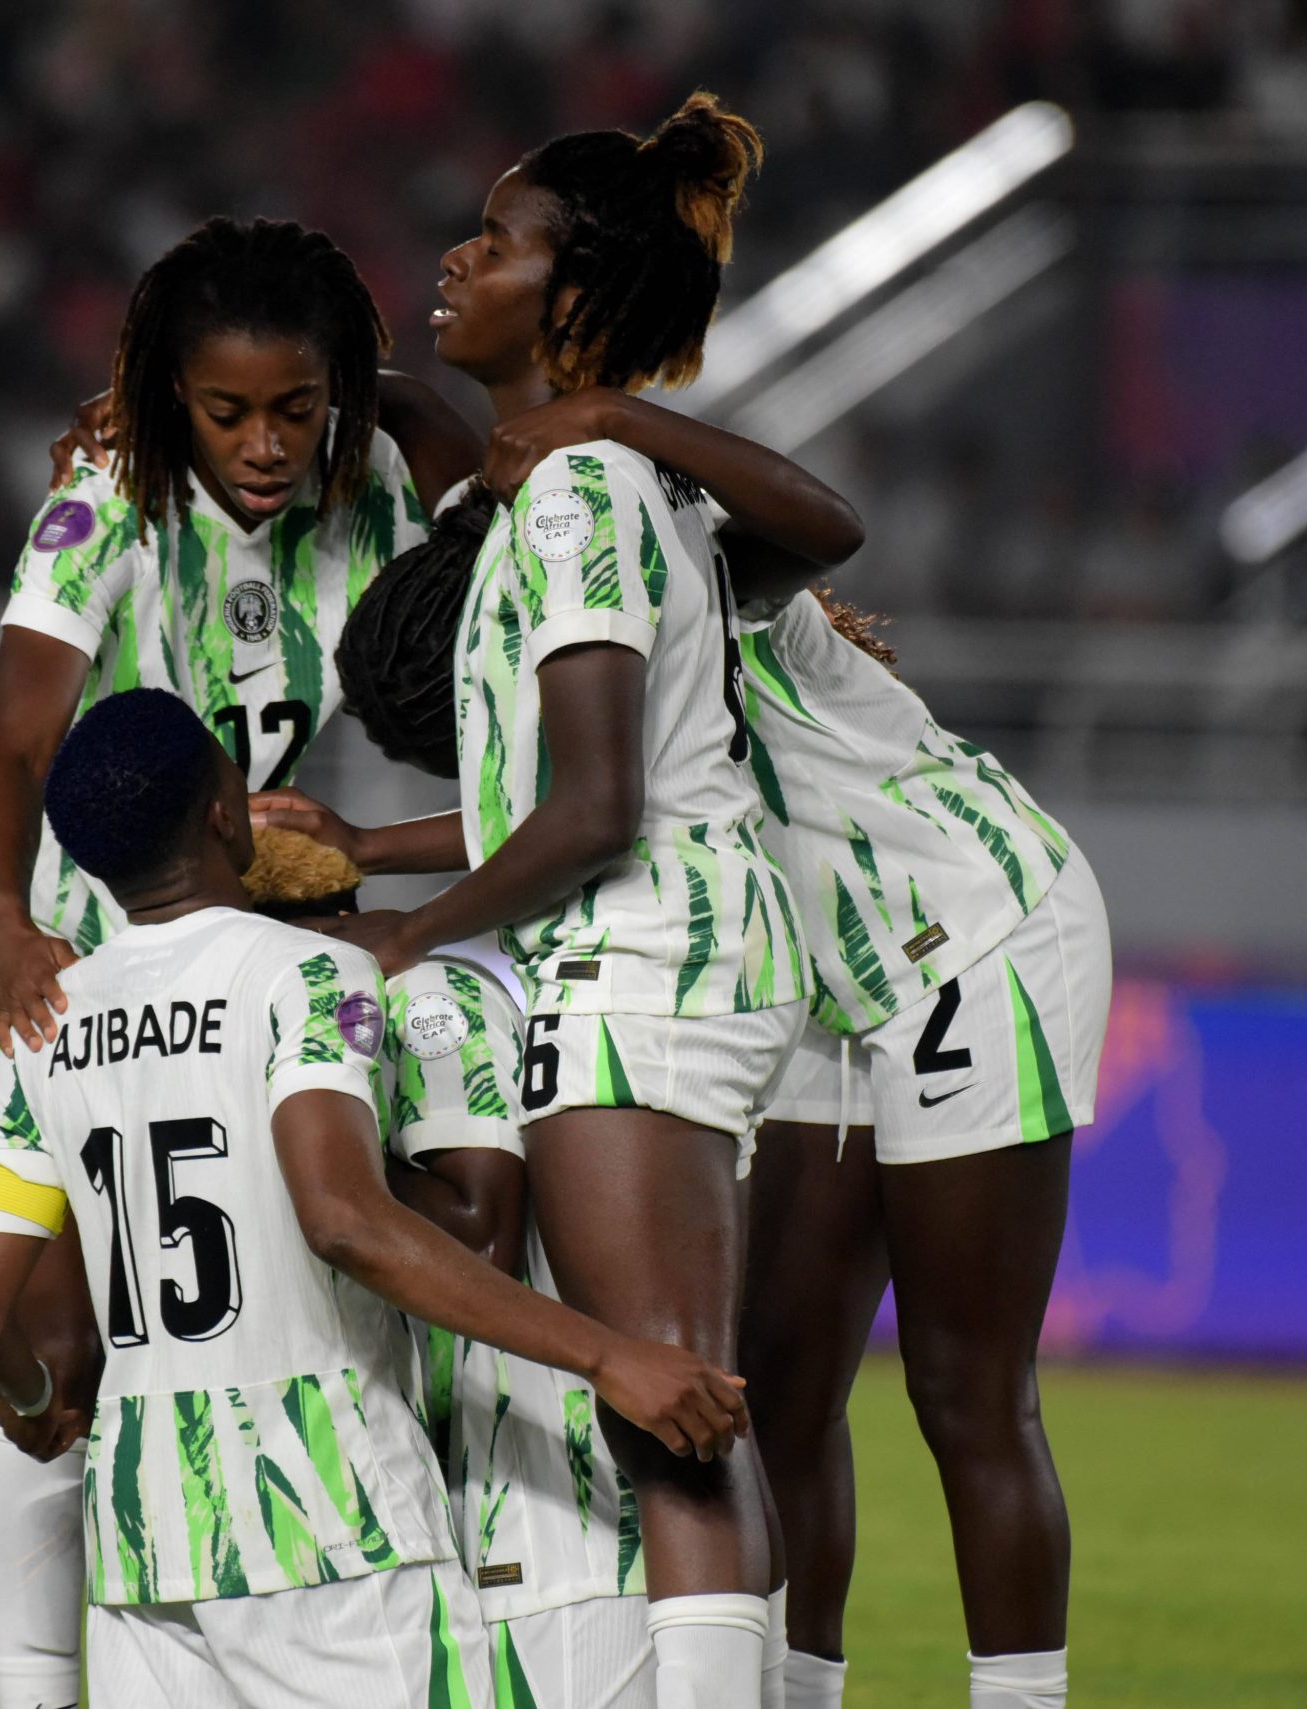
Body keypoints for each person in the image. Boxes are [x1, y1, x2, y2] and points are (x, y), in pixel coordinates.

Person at [261, 95, 861, 1709]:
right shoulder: (556, 492)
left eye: (500, 240)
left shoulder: (590, 494)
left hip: (655, 946)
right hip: (654, 941)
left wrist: (403, 935)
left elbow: (595, 808)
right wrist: (376, 855)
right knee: (663, 1383)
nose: (458, 256)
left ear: (574, 294)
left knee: (664, 1385)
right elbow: (563, 787)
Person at [0, 686, 753, 1708]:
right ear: (225, 815)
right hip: (320, 1508)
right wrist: (608, 1352)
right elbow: (343, 1218)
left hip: (141, 1532)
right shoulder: (309, 976)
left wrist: (35, 1402)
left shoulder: (45, 1021)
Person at [0, 214, 479, 1709]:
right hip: (74, 962)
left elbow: (494, 506)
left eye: (295, 408)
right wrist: (1, 922)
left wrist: (388, 393)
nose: (260, 443)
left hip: (254, 956)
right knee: (56, 1357)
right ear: (168, 393)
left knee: (265, 1322)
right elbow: (18, 742)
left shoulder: (367, 486)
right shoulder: (104, 495)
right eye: (226, 409)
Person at [254, 582, 661, 1707]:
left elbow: (481, 1228)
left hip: (547, 1506)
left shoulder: (430, 1004)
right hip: (446, 1511)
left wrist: (293, 1146)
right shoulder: (322, 1026)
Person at [733, 592, 1110, 1709]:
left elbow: (816, 520)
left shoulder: (672, 526)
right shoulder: (537, 578)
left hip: (972, 932)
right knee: (776, 1385)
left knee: (964, 1386)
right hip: (819, 968)